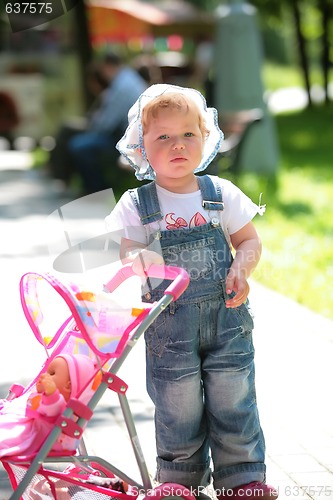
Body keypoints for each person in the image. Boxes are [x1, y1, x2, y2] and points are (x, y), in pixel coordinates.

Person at [105, 84, 277, 499]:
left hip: (227, 318)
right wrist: (138, 261)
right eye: (162, 136)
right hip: (169, 324)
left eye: (188, 134)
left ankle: (242, 477)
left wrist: (242, 266)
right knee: (177, 403)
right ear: (141, 148)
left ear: (205, 140)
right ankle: (178, 480)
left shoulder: (220, 194)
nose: (177, 145)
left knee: (233, 397)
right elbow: (124, 251)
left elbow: (249, 241)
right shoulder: (136, 204)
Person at [67, 51, 148, 195]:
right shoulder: (127, 78)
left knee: (79, 146)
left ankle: (96, 189)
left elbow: (106, 124)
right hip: (130, 134)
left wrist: (90, 127)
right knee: (78, 139)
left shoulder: (122, 85)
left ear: (107, 67)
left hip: (128, 137)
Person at [0, 354, 99, 458]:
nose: (43, 375)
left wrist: (52, 394)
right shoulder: (38, 396)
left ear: (68, 386)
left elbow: (54, 407)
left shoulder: (58, 406)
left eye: (51, 373)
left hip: (26, 437)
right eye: (46, 371)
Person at [47, 61, 109, 187]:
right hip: (95, 125)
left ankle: (61, 175)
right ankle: (60, 173)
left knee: (67, 132)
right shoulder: (106, 94)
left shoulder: (107, 94)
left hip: (98, 128)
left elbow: (103, 121)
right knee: (66, 131)